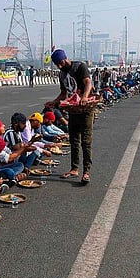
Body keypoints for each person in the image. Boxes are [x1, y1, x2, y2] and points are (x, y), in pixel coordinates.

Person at [46, 49, 95, 185]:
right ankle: (74, 168)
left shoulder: (79, 67)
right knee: (74, 141)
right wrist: (54, 102)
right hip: (73, 110)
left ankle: (86, 171)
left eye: (60, 63)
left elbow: (88, 82)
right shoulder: (62, 74)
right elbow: (64, 93)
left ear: (65, 58)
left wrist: (84, 97)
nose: (59, 66)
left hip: (85, 110)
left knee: (86, 141)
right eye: (57, 64)